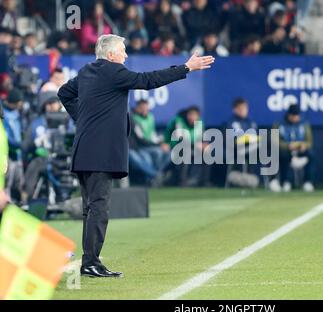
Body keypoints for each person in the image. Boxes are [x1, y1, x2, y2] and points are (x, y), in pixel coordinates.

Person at [57, 34, 214, 278]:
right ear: (111, 55)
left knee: (91, 208)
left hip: (83, 150)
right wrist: (186, 67)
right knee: (98, 207)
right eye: (122, 50)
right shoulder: (113, 71)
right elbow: (148, 80)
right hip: (99, 152)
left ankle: (90, 261)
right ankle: (90, 263)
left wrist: (83, 120)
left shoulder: (88, 71)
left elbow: (64, 93)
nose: (126, 55)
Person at [270, 104, 314, 192]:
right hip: (285, 150)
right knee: (281, 155)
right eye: (293, 116)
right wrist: (287, 146)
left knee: (311, 154)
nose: (295, 118)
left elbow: (309, 142)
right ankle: (286, 181)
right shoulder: (278, 124)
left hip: (300, 150)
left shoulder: (304, 124)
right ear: (289, 115)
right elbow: (274, 140)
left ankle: (307, 182)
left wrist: (303, 145)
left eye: (297, 116)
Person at [164, 105, 210, 186]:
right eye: (190, 114)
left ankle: (203, 182)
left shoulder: (200, 123)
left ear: (198, 116)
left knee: (207, 152)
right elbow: (181, 140)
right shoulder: (179, 122)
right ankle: (182, 182)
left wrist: (205, 145)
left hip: (193, 148)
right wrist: (196, 145)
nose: (191, 117)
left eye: (194, 115)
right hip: (176, 148)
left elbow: (202, 138)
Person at [129, 99, 170, 185]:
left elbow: (152, 134)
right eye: (142, 108)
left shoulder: (150, 117)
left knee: (168, 152)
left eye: (146, 108)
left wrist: (161, 142)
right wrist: (157, 144)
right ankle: (156, 176)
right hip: (141, 147)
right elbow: (141, 139)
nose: (145, 110)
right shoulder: (134, 119)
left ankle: (154, 178)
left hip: (149, 145)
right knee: (155, 153)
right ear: (137, 108)